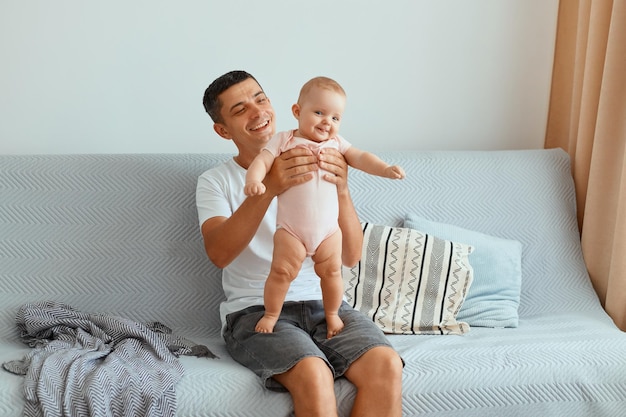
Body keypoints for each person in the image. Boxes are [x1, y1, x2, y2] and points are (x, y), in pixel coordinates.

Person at [197, 70, 403, 417]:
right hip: (256, 311)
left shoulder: (325, 155)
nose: (257, 111)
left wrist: (342, 188)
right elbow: (218, 253)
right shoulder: (215, 181)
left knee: (386, 364)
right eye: (240, 109)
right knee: (313, 372)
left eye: (260, 98)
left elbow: (350, 256)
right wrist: (271, 187)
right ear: (223, 130)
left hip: (327, 305)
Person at [244, 76, 405, 337]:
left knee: (332, 273)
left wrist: (385, 169)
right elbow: (263, 160)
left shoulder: (337, 145)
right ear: (297, 112)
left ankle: (332, 315)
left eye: (335, 118)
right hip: (291, 231)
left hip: (329, 232)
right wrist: (253, 180)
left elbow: (361, 158)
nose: (327, 122)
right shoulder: (285, 140)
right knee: (281, 272)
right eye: (319, 112)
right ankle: (272, 313)